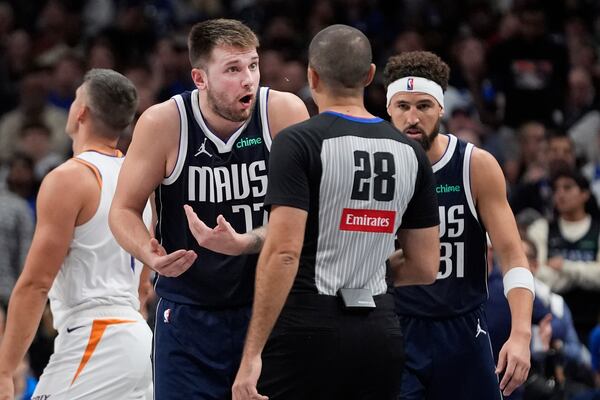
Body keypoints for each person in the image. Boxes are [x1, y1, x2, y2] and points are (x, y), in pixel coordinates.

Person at [232, 24, 440, 400]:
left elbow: (283, 252)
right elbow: (426, 266)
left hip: (305, 328)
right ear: (370, 75)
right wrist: (367, 269)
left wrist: (251, 355)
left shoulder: (298, 141)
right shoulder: (410, 152)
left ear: (312, 75)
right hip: (379, 332)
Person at [109, 18, 309, 399]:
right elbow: (122, 210)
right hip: (188, 314)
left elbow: (309, 216)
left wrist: (247, 242)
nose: (248, 79)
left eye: (252, 65)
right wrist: (146, 252)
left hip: (269, 309)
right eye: (232, 69)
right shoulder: (164, 122)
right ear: (199, 78)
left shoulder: (283, 112)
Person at [384, 50, 534, 399]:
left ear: (440, 109)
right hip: (396, 329)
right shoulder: (374, 169)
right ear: (388, 110)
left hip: (464, 329)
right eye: (402, 106)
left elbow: (513, 256)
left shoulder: (474, 165)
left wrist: (521, 334)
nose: (412, 117)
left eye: (423, 105)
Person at [0, 69, 153, 399]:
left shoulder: (69, 178)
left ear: (80, 111)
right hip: (138, 338)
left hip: (96, 337)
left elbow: (36, 282)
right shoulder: (140, 182)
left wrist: (5, 369)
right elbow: (144, 286)